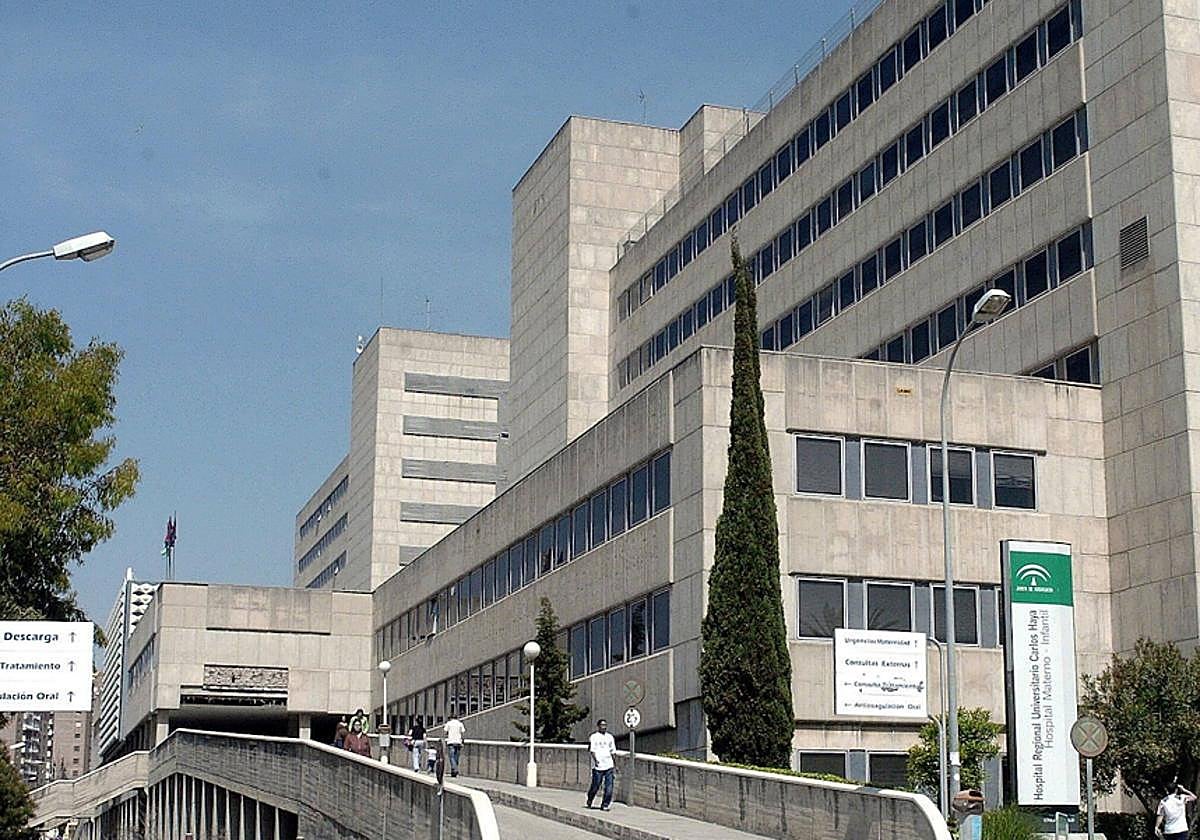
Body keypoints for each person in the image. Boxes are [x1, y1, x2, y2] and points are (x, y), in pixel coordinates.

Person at [586, 719, 617, 811]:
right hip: (598, 766)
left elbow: (613, 751)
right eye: (602, 725)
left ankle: (605, 804)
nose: (604, 727)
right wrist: (596, 761)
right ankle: (590, 798)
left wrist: (615, 764)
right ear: (598, 726)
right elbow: (592, 750)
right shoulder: (594, 737)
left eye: (605, 725)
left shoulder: (610, 737)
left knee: (609, 787)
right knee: (596, 785)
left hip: (609, 765)